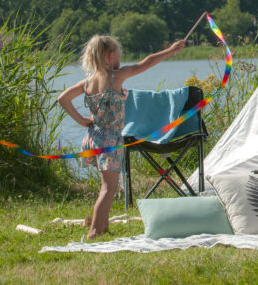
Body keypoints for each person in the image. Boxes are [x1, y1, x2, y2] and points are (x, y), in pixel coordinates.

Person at [58, 35, 185, 239]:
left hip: (93, 137)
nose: (120, 61)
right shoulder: (115, 77)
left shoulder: (88, 82)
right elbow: (146, 63)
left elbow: (62, 98)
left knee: (105, 186)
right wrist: (170, 51)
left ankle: (103, 226)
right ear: (109, 57)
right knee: (109, 188)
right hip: (109, 141)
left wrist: (81, 120)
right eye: (118, 56)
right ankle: (95, 231)